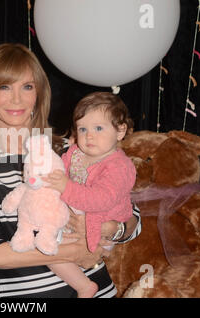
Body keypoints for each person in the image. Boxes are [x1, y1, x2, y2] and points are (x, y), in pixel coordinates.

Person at [0, 43, 141, 298]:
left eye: (27, 87)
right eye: (4, 87)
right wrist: (75, 251)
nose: (16, 99)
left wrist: (112, 229)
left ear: (39, 94)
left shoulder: (67, 148)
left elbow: (131, 214)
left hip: (99, 290)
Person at [43, 92, 136, 297]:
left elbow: (102, 200)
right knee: (48, 242)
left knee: (49, 249)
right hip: (78, 218)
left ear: (120, 131)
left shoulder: (119, 165)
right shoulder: (76, 153)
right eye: (83, 129)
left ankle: (84, 286)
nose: (89, 136)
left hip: (98, 225)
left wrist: (66, 188)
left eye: (99, 128)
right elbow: (61, 171)